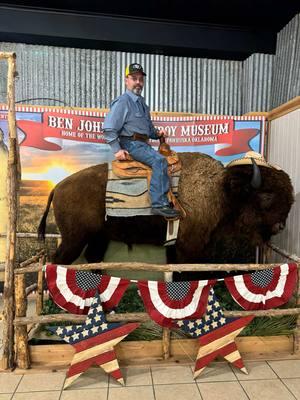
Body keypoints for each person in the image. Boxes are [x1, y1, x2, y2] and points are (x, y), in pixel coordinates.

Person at [103, 63, 180, 218]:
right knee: (159, 162)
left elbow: (148, 130)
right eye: (134, 78)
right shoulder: (123, 102)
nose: (138, 82)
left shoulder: (142, 104)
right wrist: (117, 149)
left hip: (142, 143)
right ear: (126, 81)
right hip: (131, 143)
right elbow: (109, 128)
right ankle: (159, 204)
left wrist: (158, 134)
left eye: (140, 79)